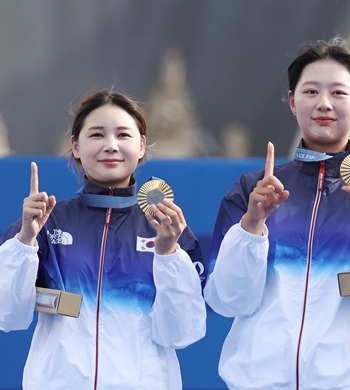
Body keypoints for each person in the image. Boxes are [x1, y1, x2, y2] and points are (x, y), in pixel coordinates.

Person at [204, 37, 350, 390]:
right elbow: (226, 300)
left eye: (339, 93)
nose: (324, 104)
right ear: (291, 101)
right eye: (311, 92)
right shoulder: (254, 192)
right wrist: (252, 225)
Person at [0, 90, 207, 390]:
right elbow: (8, 314)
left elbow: (182, 332)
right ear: (75, 145)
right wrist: (25, 241)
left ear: (141, 146)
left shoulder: (166, 229)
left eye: (123, 134)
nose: (111, 145)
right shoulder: (46, 222)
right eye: (97, 135)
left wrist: (168, 253)